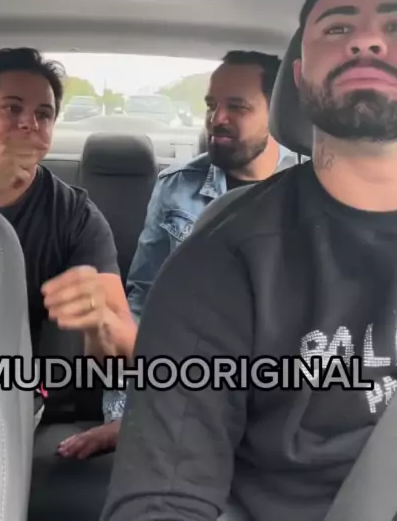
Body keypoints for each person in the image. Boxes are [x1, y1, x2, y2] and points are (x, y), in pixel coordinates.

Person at [99, 0, 397, 521]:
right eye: (338, 27)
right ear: (301, 77)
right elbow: (165, 491)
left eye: (394, 24)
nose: (367, 40)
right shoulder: (220, 255)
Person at [58, 50, 297, 459]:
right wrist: (125, 414)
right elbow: (142, 304)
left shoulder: (310, 189)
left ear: (276, 114)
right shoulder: (176, 187)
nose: (217, 118)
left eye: (237, 106)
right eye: (211, 105)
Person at [0, 48, 136, 368]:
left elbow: (126, 349)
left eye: (44, 114)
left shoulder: (76, 216)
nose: (29, 124)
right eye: (12, 108)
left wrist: (100, 322)